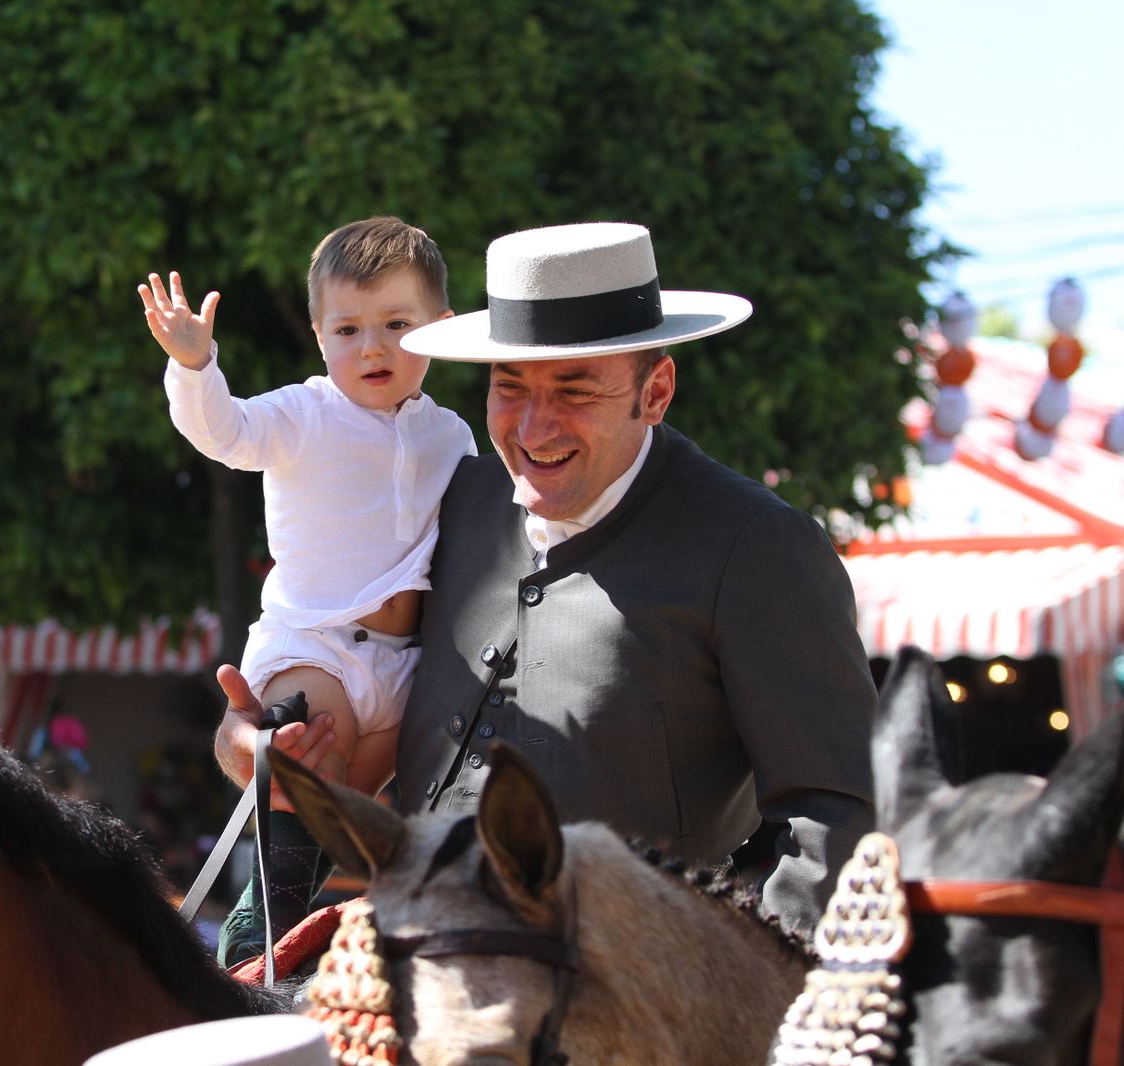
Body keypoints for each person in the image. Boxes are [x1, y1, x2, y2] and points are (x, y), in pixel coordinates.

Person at [214, 221, 876, 935]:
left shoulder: (756, 546)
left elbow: (839, 816)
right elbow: (352, 681)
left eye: (575, 388)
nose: (534, 428)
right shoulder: (453, 503)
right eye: (509, 386)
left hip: (634, 987)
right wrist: (250, 745)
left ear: (655, 391)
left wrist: (733, 984)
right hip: (415, 966)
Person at [139, 217, 477, 965]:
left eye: (397, 325)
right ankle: (252, 949)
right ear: (321, 338)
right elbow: (224, 433)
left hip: (406, 666)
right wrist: (195, 366)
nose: (372, 347)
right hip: (316, 646)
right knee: (308, 780)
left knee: (344, 824)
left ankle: (299, 945)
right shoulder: (302, 413)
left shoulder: (453, 436)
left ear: (443, 330)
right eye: (348, 329)